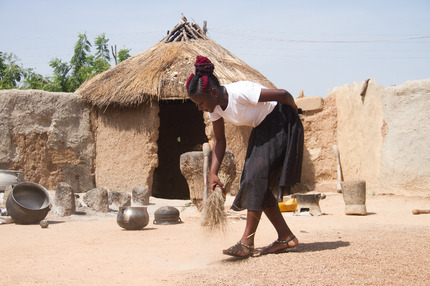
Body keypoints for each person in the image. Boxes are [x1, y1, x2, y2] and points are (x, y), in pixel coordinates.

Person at [186, 56, 304, 258]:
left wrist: (294, 110)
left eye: (200, 102)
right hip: (262, 128)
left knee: (254, 177)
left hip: (281, 120)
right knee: (254, 180)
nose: (199, 107)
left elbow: (283, 94)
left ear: (213, 92)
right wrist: (213, 172)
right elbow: (220, 141)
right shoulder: (214, 109)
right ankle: (285, 236)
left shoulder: (241, 92)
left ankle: (246, 242)